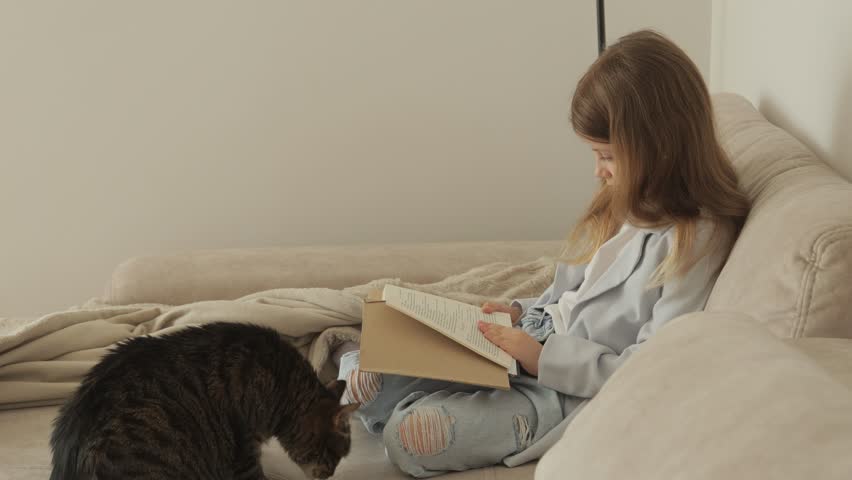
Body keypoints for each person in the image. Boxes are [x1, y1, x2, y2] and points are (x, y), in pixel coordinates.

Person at [332, 29, 750, 478]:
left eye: (607, 156)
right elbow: (570, 296)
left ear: (659, 146)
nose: (599, 171)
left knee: (412, 437)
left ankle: (427, 406)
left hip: (569, 388)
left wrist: (540, 359)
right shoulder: (627, 204)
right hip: (531, 337)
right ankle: (416, 389)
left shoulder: (696, 239)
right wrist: (518, 310)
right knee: (371, 372)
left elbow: (651, 368)